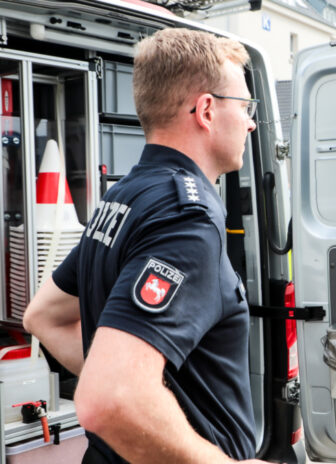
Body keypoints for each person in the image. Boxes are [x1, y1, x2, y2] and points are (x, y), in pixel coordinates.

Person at [23, 28, 268, 464]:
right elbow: (107, 399)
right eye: (246, 105)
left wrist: (139, 388)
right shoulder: (186, 219)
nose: (251, 122)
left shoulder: (127, 195)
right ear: (207, 110)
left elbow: (42, 316)